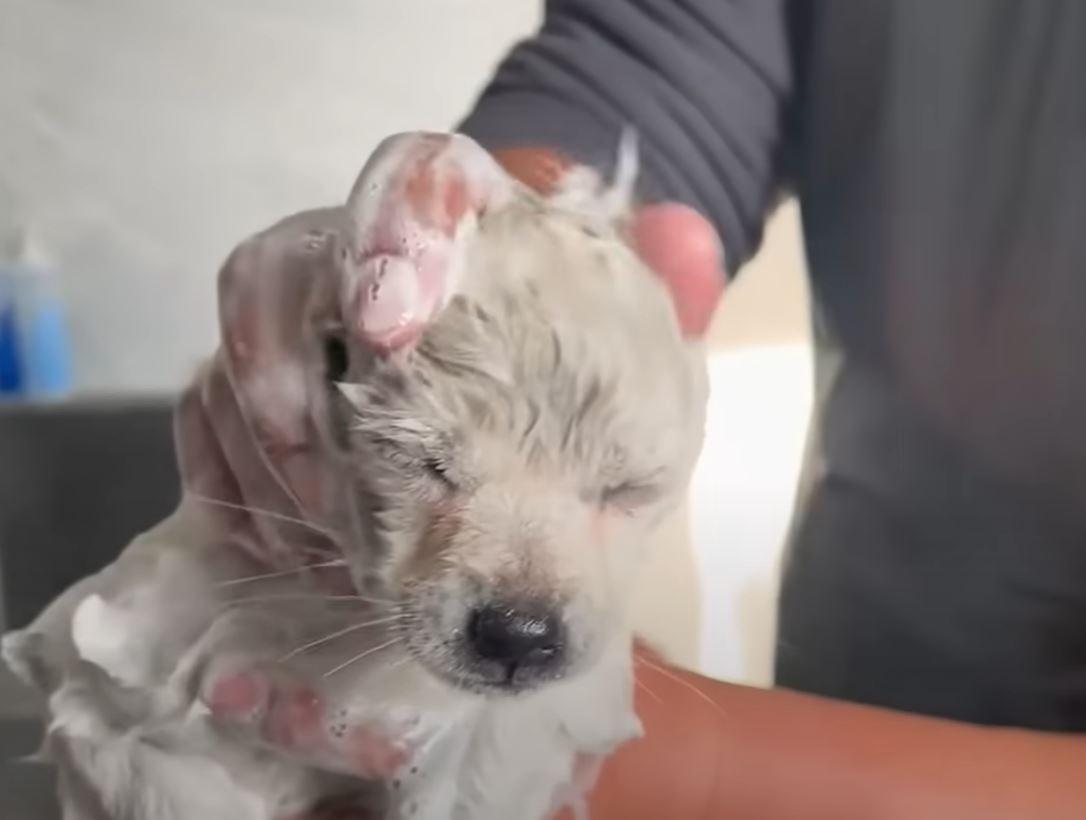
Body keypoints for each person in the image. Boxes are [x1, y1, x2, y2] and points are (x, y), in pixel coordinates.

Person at [182, 1, 1086, 816]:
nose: (525, 605)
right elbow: (651, 56)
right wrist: (483, 222)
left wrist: (697, 770)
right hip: (878, 662)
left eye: (621, 488)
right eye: (434, 465)